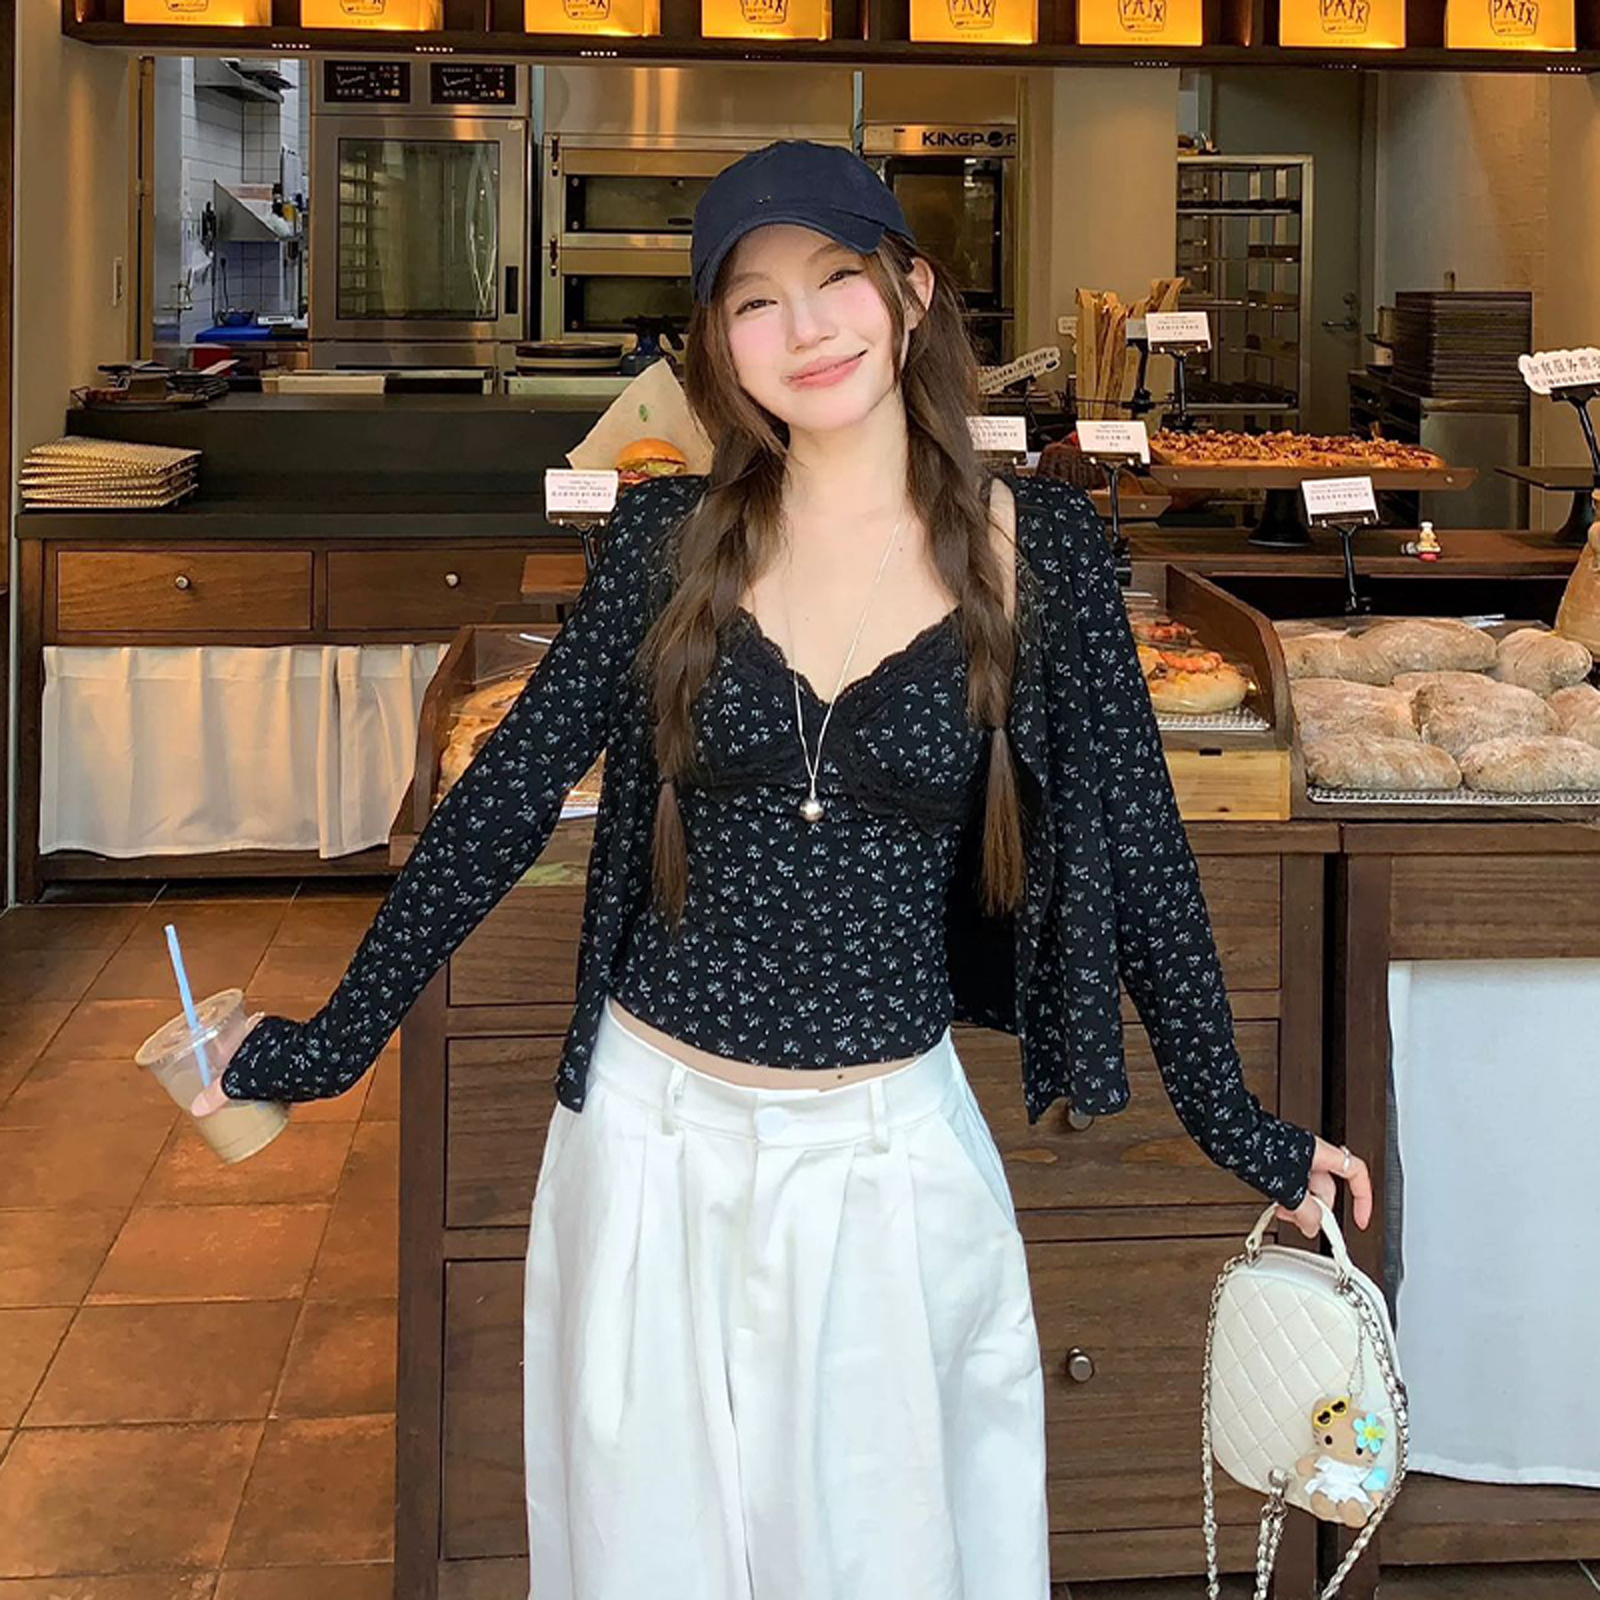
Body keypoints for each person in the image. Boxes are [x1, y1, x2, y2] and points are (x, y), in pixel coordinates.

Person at [195, 139, 1373, 1600]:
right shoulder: (667, 541)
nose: (804, 328)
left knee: (888, 1559)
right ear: (717, 343)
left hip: (887, 1161)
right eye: (754, 301)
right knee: (650, 1562)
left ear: (912, 293)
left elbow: (1142, 855)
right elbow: (502, 798)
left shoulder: (1041, 554)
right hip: (649, 1151)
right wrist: (327, 1048)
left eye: (835, 280)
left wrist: (1244, 1129)